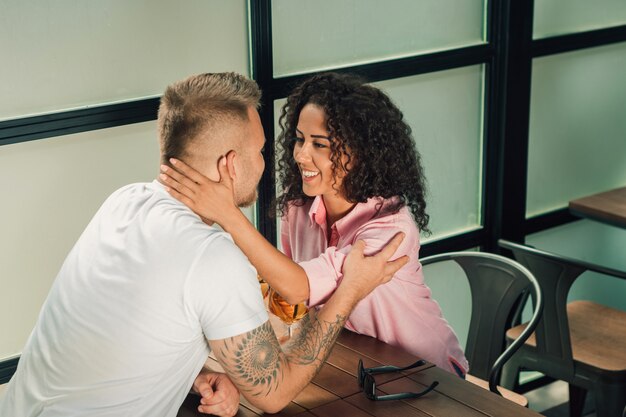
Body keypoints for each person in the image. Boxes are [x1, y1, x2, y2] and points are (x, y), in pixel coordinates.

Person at [0, 72, 409, 417]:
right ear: (230, 164)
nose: (270, 162)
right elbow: (275, 393)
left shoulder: (123, 201)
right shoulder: (212, 256)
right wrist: (350, 290)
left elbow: (110, 330)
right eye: (262, 151)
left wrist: (192, 375)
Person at [159, 72, 469, 377]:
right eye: (299, 139)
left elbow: (297, 288)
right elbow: (294, 296)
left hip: (427, 373)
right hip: (360, 364)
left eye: (320, 144)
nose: (301, 155)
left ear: (359, 152)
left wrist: (227, 214)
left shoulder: (390, 228)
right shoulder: (297, 209)